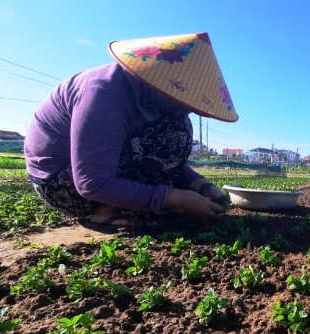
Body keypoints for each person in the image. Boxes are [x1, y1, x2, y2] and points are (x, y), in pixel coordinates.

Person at [24, 32, 237, 228]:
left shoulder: (154, 104)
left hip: (108, 165)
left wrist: (200, 186)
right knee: (169, 146)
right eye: (185, 103)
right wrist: (173, 198)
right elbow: (91, 182)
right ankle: (99, 210)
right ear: (164, 87)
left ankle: (133, 203)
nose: (186, 110)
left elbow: (160, 159)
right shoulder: (103, 96)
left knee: (177, 131)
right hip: (60, 180)